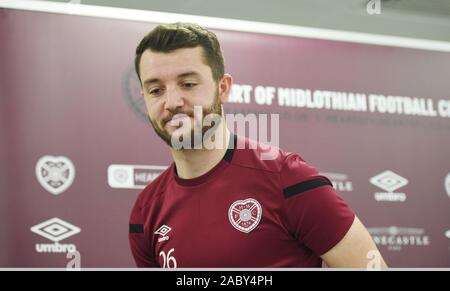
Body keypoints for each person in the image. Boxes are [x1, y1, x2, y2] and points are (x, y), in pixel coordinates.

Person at [129, 22, 387, 268]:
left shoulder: (288, 179)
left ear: (223, 88)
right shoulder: (145, 211)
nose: (172, 102)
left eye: (188, 84)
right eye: (156, 90)